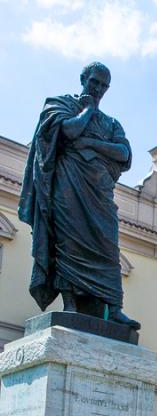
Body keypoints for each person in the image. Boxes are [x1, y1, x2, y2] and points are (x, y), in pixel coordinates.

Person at [18, 62, 140, 329]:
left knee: (108, 247)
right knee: (68, 243)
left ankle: (114, 306)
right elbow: (69, 131)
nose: (97, 89)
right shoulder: (59, 104)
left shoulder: (111, 123)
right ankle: (70, 304)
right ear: (83, 79)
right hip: (68, 188)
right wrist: (87, 110)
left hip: (99, 195)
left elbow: (125, 154)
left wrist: (90, 143)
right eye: (94, 82)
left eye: (103, 86)